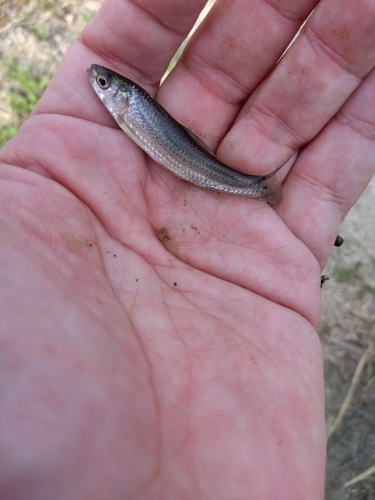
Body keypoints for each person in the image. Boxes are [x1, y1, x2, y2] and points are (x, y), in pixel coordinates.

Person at [0, 0, 374, 497]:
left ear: (122, 97)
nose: (100, 86)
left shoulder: (132, 106)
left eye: (106, 86)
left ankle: (256, 185)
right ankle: (255, 185)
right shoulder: (127, 108)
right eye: (105, 85)